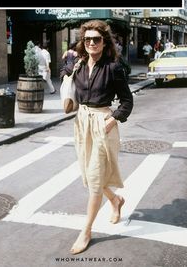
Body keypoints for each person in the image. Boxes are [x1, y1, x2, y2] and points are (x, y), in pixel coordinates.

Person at [61, 20, 133, 254]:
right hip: (82, 123)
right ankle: (115, 200)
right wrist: (66, 69)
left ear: (105, 41)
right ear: (83, 42)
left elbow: (127, 101)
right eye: (87, 39)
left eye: (97, 39)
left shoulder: (113, 67)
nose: (92, 43)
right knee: (89, 175)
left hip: (102, 124)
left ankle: (87, 231)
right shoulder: (79, 65)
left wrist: (113, 120)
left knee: (94, 180)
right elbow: (66, 76)